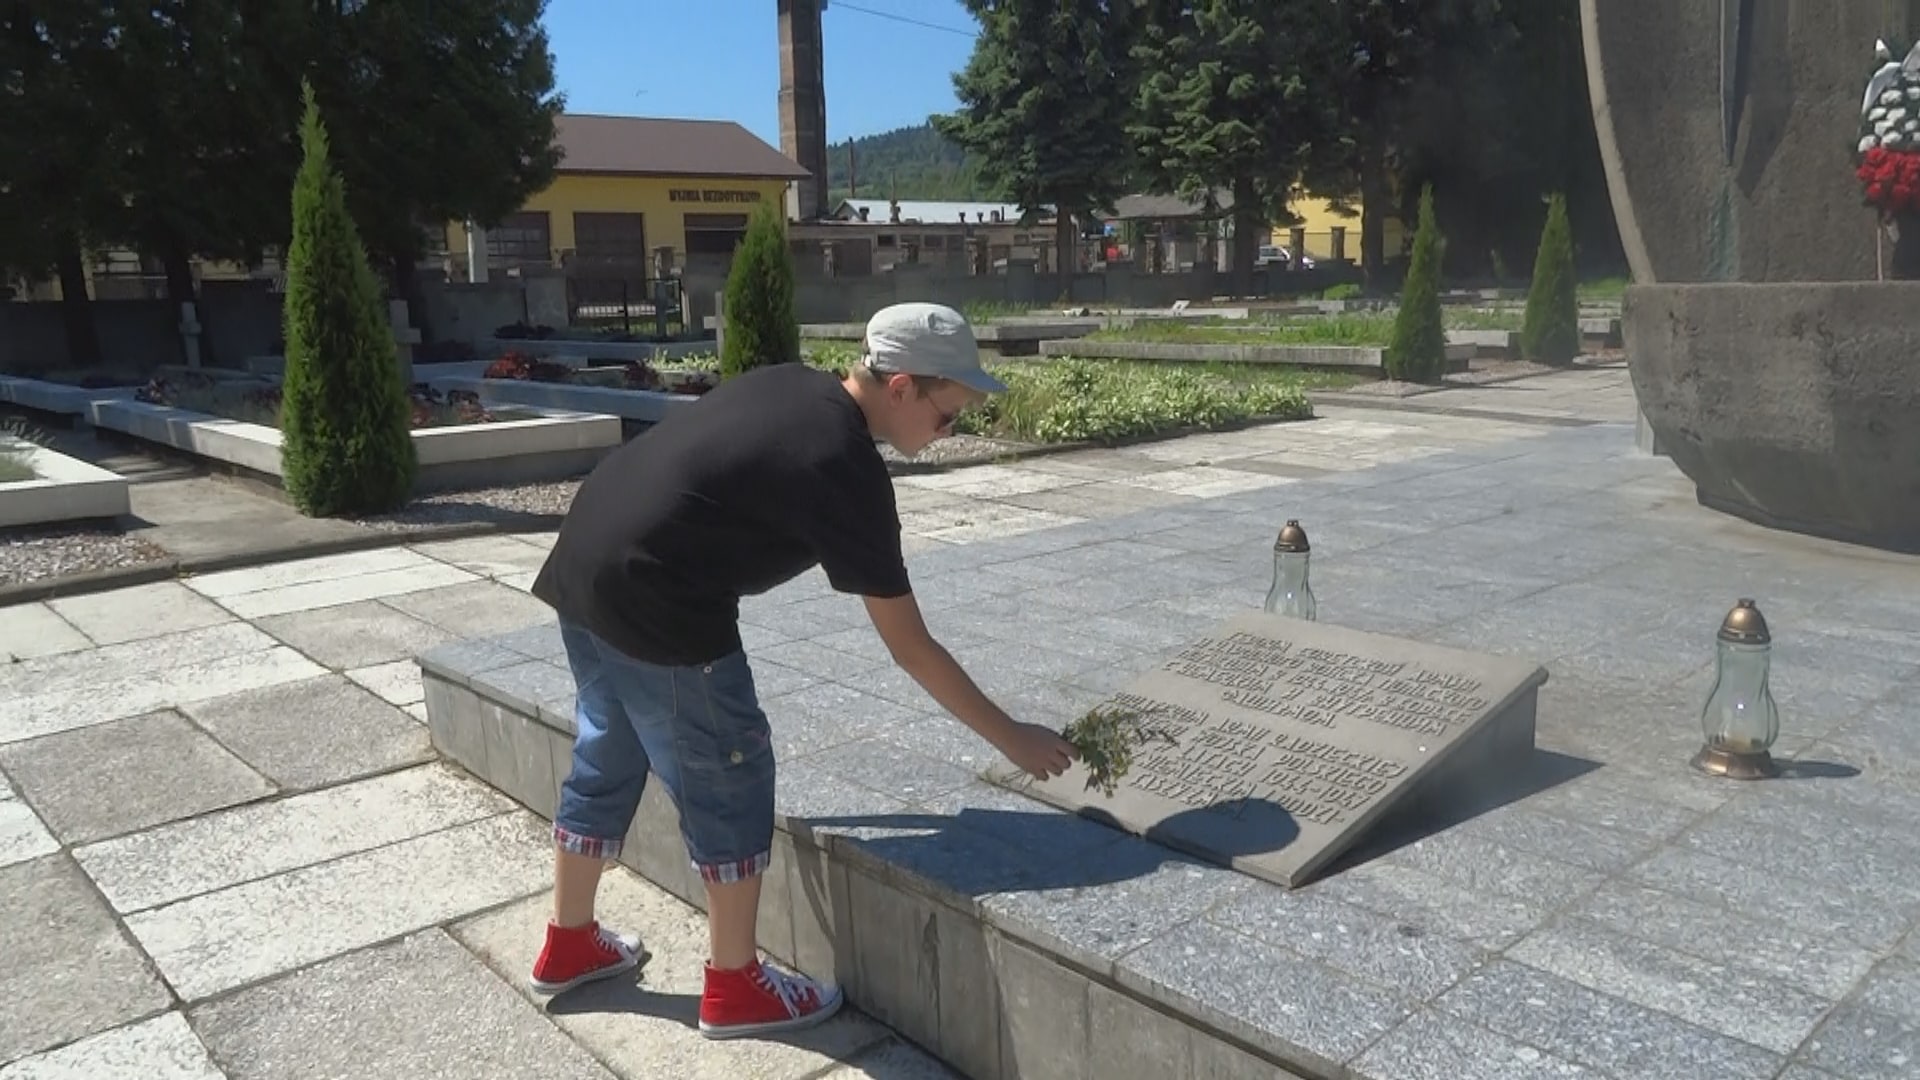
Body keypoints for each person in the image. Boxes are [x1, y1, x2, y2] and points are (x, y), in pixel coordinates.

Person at [524, 301, 1077, 1040]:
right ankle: (733, 986)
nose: (950, 432)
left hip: (585, 559)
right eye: (948, 415)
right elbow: (911, 647)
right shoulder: (843, 465)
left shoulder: (796, 384)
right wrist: (1013, 738)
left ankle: (569, 943)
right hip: (658, 595)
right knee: (730, 768)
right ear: (902, 387)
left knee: (609, 753)